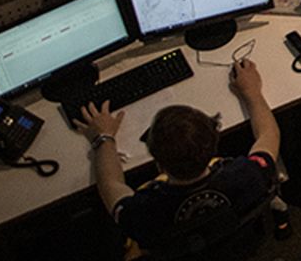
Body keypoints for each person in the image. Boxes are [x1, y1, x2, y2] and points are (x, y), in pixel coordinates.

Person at [76, 59, 285, 251]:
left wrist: (104, 137)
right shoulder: (247, 176)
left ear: (158, 165)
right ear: (215, 146)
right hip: (240, 246)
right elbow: (269, 134)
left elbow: (110, 185)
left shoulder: (143, 213)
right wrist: (252, 91)